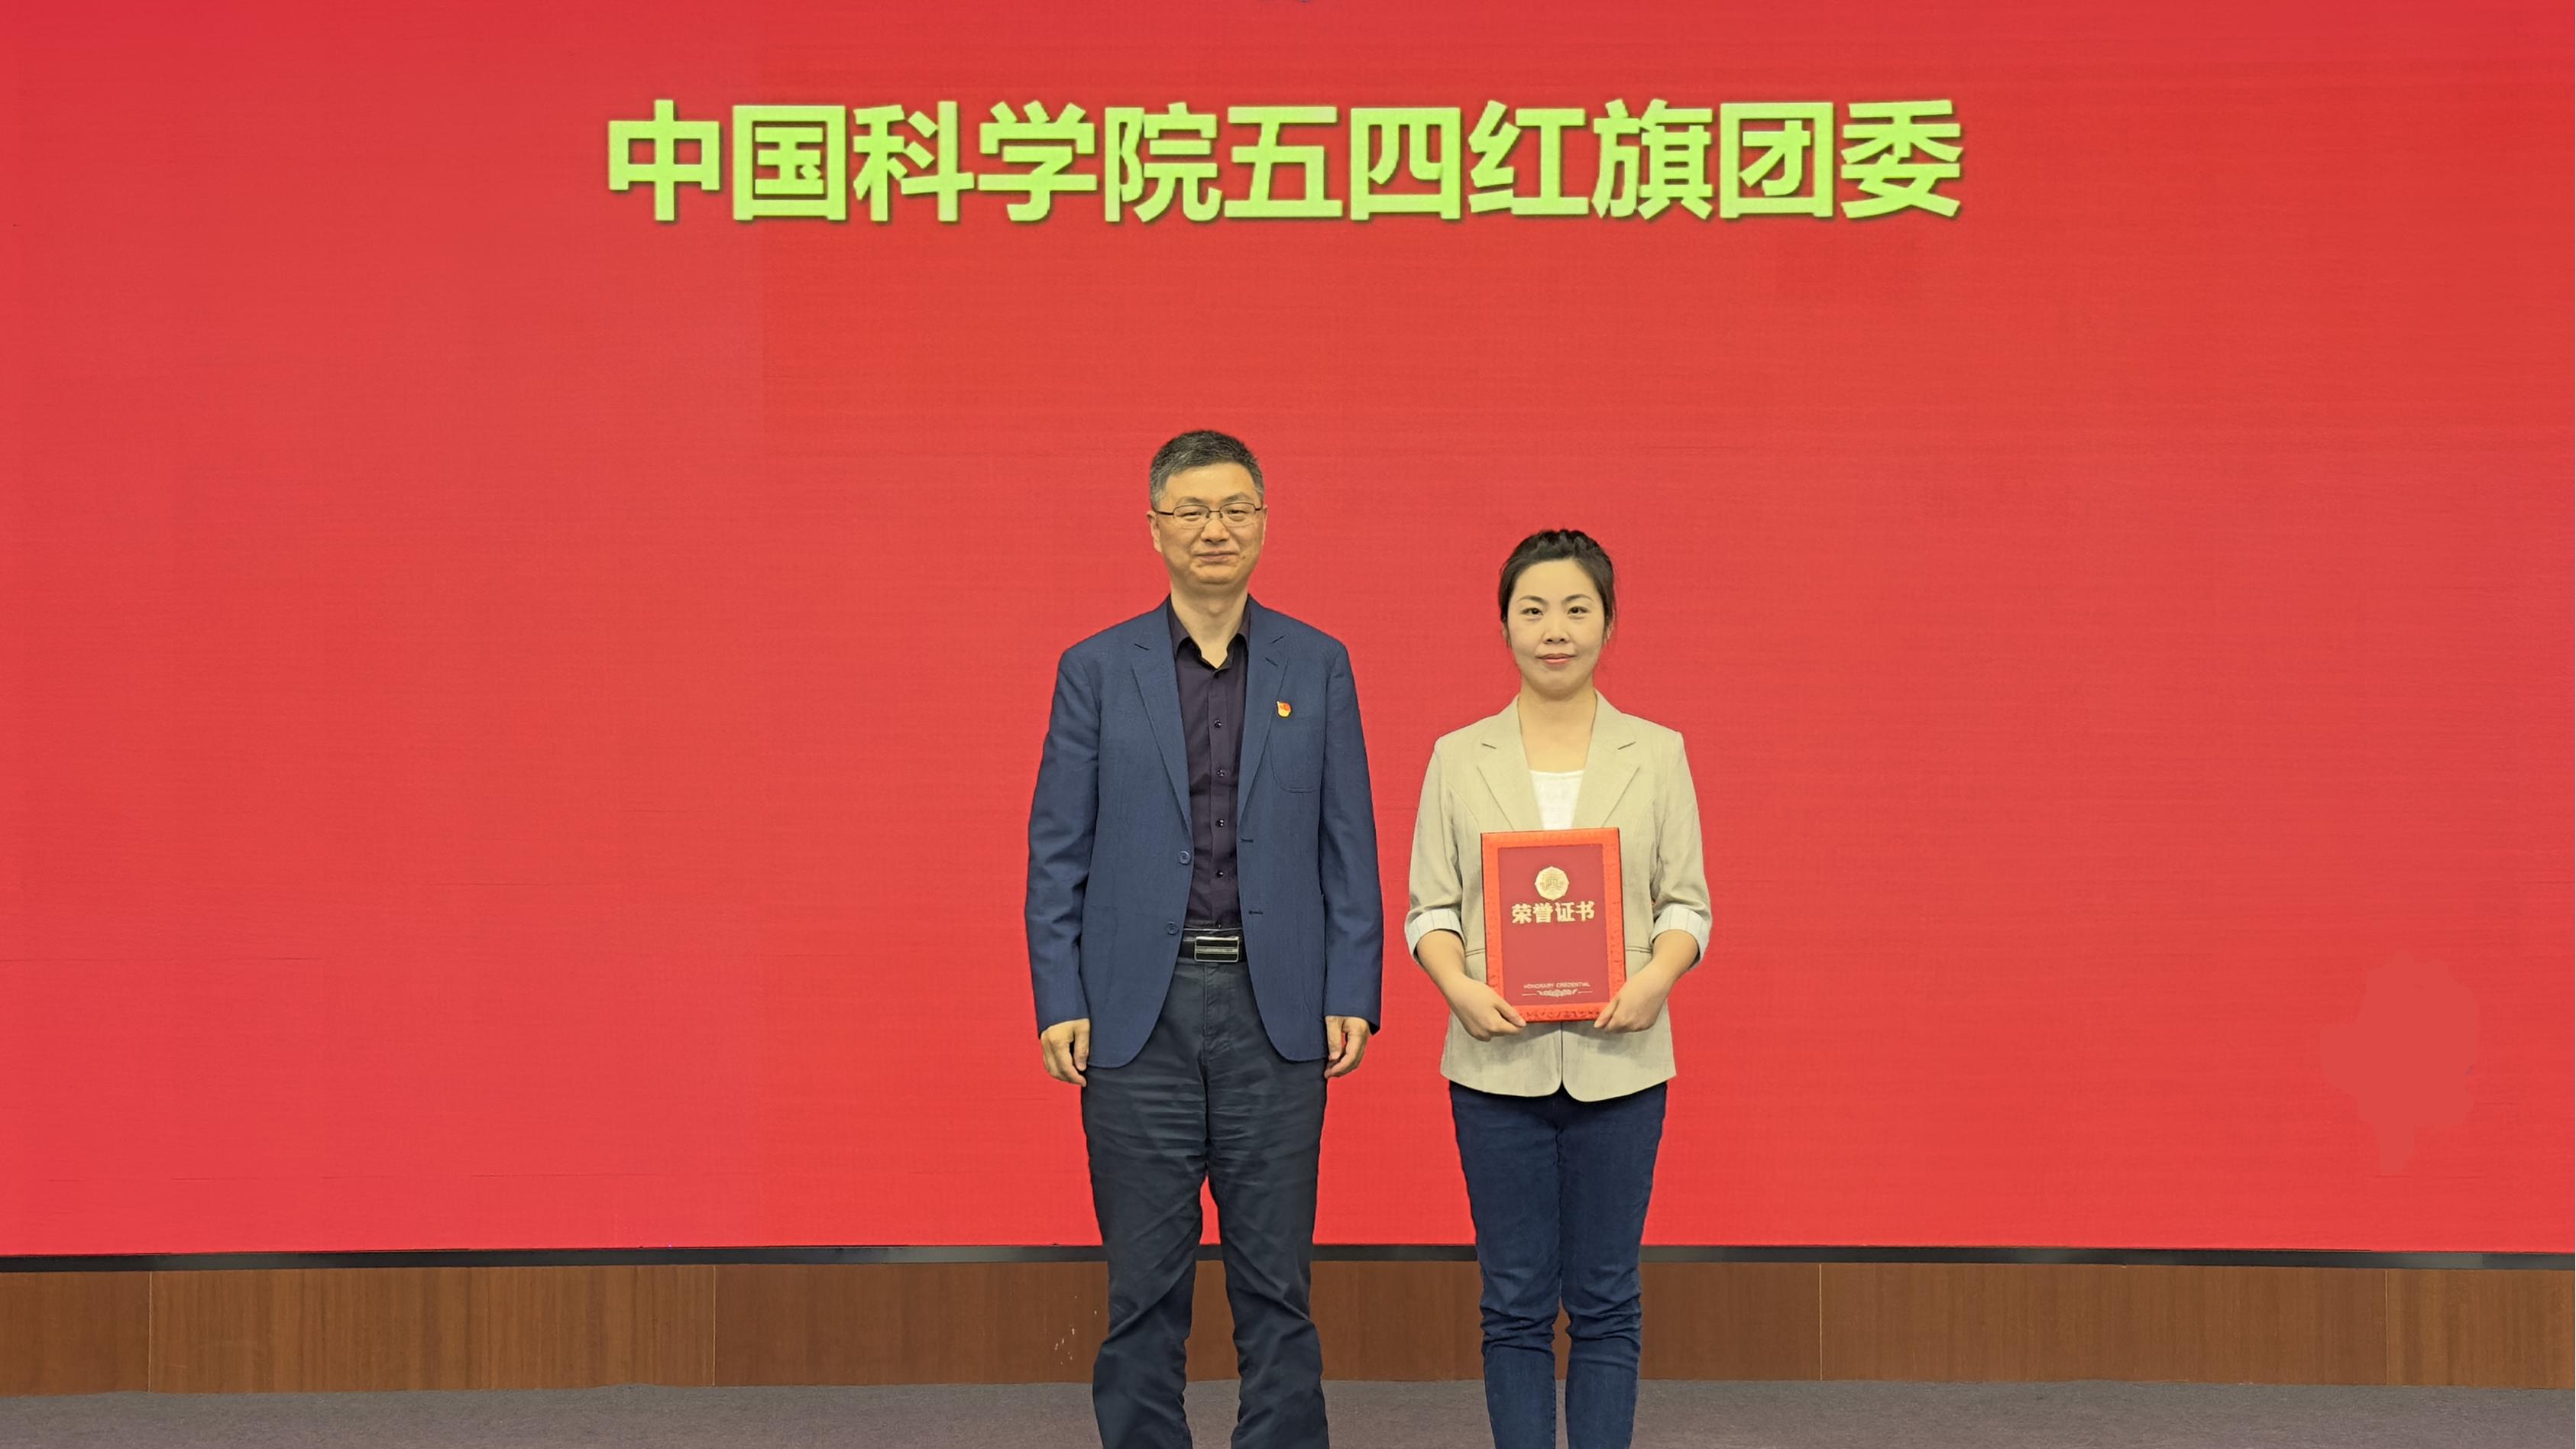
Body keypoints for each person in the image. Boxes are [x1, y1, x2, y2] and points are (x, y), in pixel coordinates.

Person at [1026, 429, 1383, 1449]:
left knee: (1278, 1282)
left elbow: (1348, 839)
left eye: (1234, 509)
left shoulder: (1317, 663)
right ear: (1154, 528)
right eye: (1191, 511)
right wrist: (1061, 997)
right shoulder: (1097, 669)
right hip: (1139, 1016)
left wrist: (1352, 987)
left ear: (1263, 523)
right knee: (1145, 1285)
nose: (1214, 529)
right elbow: (1058, 847)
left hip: (1277, 1013)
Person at [1403, 529, 1711, 1449]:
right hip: (1495, 1066)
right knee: (1514, 1302)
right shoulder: (1458, 756)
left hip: (1624, 1063)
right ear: (1503, 624)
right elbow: (1430, 908)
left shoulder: (1658, 752)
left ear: (1609, 624)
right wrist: (1458, 986)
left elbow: (1686, 903)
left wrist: (1657, 976)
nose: (1555, 630)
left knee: (1607, 1298)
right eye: (1533, 610)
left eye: (1577, 609)